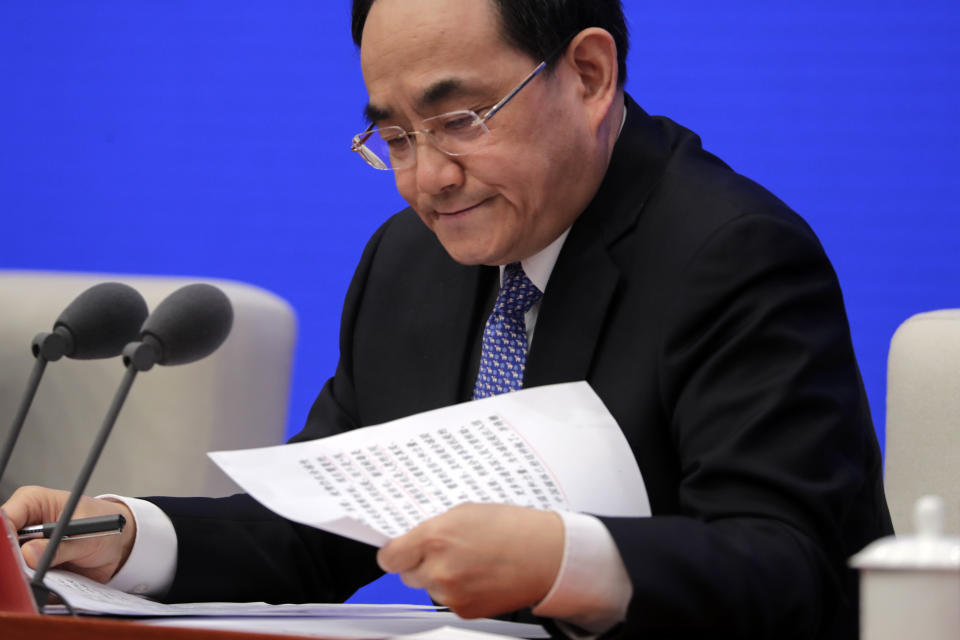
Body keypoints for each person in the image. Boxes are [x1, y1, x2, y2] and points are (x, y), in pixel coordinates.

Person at [4, 1, 892, 638]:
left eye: (459, 120)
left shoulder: (733, 253)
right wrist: (121, 535)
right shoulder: (410, 258)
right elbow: (321, 531)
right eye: (394, 137)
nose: (426, 179)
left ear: (588, 74)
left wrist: (560, 562)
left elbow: (791, 571)